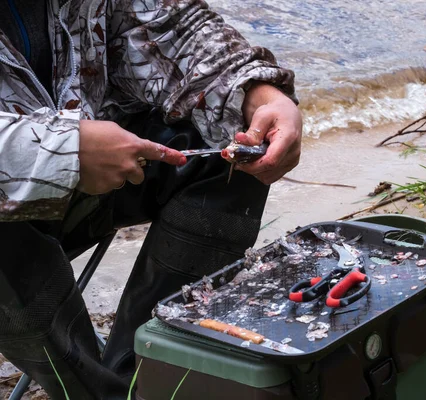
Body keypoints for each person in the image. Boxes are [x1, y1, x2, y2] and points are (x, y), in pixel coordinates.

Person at [0, 0, 302, 398]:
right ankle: (93, 391)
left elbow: (174, 27)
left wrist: (261, 96)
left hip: (95, 184)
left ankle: (153, 374)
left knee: (227, 145)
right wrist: (63, 153)